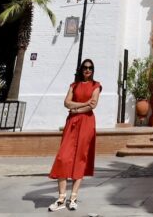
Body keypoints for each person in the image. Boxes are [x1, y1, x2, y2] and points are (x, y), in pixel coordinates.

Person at [47, 59, 101, 211]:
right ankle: (61, 198)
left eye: (90, 68)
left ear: (93, 70)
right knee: (63, 157)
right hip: (71, 123)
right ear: (81, 69)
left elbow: (93, 105)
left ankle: (73, 197)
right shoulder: (74, 85)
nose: (87, 70)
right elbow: (67, 103)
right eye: (85, 68)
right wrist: (82, 105)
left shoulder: (96, 85)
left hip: (86, 123)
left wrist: (76, 109)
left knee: (80, 157)